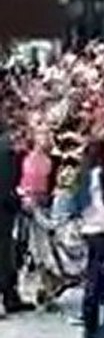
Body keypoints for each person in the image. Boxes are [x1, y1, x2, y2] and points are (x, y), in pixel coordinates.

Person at [0, 115, 33, 316]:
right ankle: (9, 297)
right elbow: (6, 186)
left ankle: (10, 296)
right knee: (4, 254)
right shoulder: (6, 152)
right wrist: (18, 202)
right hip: (3, 211)